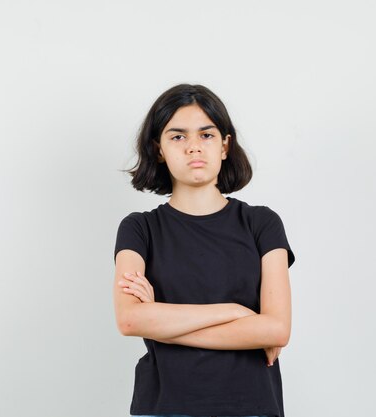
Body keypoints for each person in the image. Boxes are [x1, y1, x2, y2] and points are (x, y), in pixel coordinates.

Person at [113, 84, 296, 417]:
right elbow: (130, 319)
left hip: (252, 405)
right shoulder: (139, 229)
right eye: (178, 137)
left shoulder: (262, 224)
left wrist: (163, 321)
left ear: (225, 145)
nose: (194, 147)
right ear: (159, 150)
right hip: (164, 405)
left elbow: (276, 329)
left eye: (207, 135)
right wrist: (237, 312)